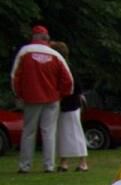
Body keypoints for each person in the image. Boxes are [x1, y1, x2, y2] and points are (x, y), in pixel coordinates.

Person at [10, 25, 74, 174]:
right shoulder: (55, 55)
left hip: (31, 97)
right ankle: (49, 165)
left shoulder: (25, 52)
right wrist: (61, 94)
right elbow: (68, 80)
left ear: (33, 37)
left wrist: (19, 94)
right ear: (47, 39)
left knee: (28, 132)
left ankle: (25, 165)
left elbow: (15, 77)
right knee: (49, 132)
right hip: (52, 98)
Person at [49, 41, 87, 171]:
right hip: (68, 103)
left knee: (74, 132)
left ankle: (80, 161)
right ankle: (66, 161)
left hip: (69, 104)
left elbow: (76, 86)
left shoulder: (65, 68)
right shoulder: (66, 66)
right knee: (66, 133)